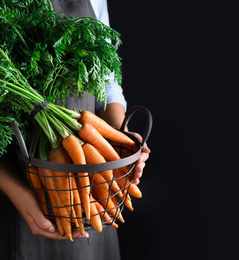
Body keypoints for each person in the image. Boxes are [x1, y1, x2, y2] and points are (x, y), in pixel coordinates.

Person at [0, 0, 150, 259]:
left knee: (93, 227)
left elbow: (107, 81)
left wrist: (119, 139)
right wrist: (18, 190)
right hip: (15, 191)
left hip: (95, 187)